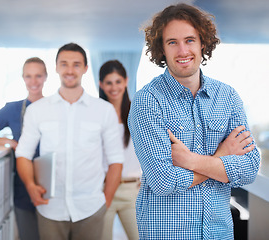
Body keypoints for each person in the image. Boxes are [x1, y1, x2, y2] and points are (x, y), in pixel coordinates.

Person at [128, 3, 261, 239]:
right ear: (161, 48)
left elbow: (249, 168)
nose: (182, 50)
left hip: (218, 232)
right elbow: (162, 181)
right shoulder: (147, 101)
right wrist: (220, 158)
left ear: (202, 43)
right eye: (172, 42)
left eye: (189, 40)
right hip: (167, 233)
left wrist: (190, 160)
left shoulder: (227, 97)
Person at [15, 43, 124, 240]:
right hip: (50, 209)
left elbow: (116, 160)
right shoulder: (37, 110)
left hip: (91, 209)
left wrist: (105, 202)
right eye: (64, 64)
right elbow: (23, 153)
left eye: (76, 64)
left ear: (85, 69)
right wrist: (31, 185)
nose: (70, 70)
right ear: (56, 67)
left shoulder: (103, 110)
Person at [0, 57, 47, 240]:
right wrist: (11, 143)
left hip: (51, 184)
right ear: (23, 78)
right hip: (23, 187)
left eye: (38, 76)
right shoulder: (12, 109)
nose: (33, 82)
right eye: (28, 76)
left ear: (46, 77)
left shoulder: (54, 108)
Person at [99, 60, 141, 240]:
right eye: (108, 82)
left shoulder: (138, 113)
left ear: (126, 81)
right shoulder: (96, 114)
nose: (114, 87)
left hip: (132, 190)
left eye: (118, 81)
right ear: (101, 84)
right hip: (102, 189)